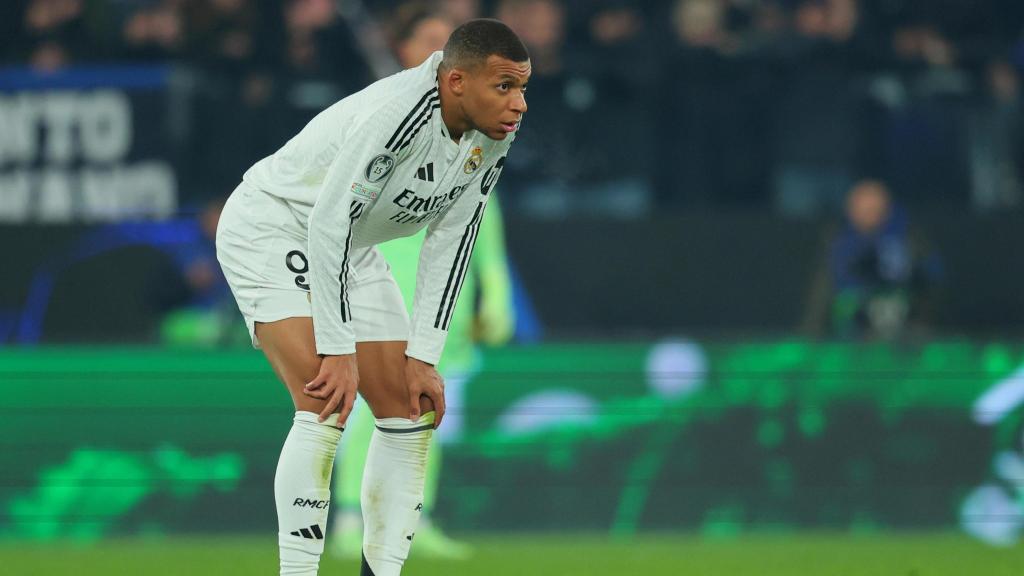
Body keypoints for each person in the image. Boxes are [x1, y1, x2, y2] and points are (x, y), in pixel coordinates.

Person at [215, 18, 530, 576]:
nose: (519, 103)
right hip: (276, 225)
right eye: (504, 86)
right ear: (456, 81)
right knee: (324, 400)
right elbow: (328, 221)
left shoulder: (493, 131)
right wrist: (339, 348)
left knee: (411, 410)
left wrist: (424, 356)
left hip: (350, 243)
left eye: (523, 87)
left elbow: (454, 236)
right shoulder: (399, 116)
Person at [329, 8, 516, 561]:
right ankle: (347, 516)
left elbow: (483, 215)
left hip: (444, 304)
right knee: (371, 411)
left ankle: (413, 519)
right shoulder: (381, 118)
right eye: (431, 41)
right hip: (381, 291)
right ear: (405, 48)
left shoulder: (477, 131)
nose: (442, 53)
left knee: (426, 415)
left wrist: (496, 290)